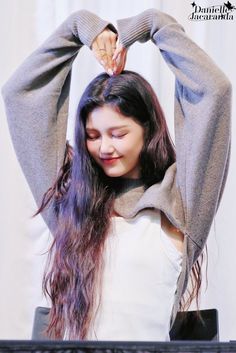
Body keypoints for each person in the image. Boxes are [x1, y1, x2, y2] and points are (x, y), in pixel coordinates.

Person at [2, 8, 231, 341]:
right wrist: (80, 27)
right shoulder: (73, 200)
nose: (104, 147)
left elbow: (215, 91)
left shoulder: (181, 201)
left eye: (118, 134)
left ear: (147, 129)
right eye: (92, 136)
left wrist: (153, 24)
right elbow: (19, 95)